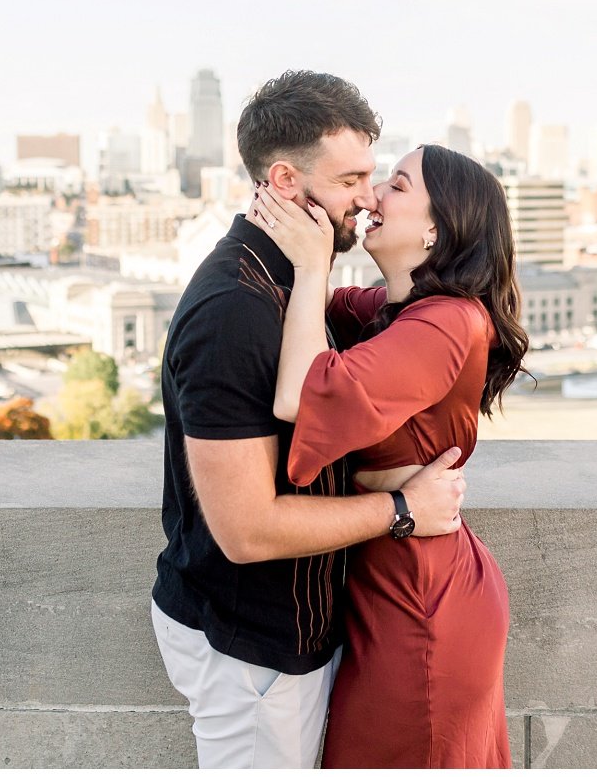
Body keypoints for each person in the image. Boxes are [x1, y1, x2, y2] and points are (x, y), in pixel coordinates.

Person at [151, 72, 468, 769]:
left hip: (292, 637)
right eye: (352, 177)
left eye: (374, 174)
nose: (369, 195)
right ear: (287, 180)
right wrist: (401, 509)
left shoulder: (299, 274)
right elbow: (246, 528)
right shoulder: (234, 311)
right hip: (252, 648)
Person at [247, 142, 528, 768]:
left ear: (437, 226)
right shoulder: (402, 310)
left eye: (396, 185)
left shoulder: (448, 323)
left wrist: (316, 264)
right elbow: (312, 314)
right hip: (394, 573)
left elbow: (298, 392)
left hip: (423, 597)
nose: (373, 196)